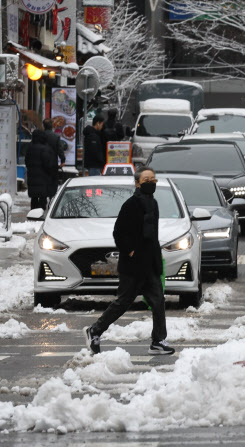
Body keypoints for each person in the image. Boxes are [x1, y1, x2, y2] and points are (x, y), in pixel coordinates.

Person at [84, 167, 174, 356]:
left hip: (150, 264)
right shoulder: (131, 204)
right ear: (137, 183)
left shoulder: (153, 203)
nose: (150, 182)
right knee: (123, 302)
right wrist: (130, 251)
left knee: (158, 301)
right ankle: (95, 330)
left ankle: (158, 340)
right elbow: (118, 232)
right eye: (146, 179)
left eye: (153, 179)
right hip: (133, 266)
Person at [25, 130, 57, 210]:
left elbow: (27, 161)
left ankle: (33, 213)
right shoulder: (45, 149)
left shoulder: (30, 147)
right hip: (44, 178)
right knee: (43, 197)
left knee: (34, 197)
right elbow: (48, 165)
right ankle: (41, 213)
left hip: (32, 178)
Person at [42, 119, 67, 201]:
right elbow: (60, 150)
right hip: (53, 164)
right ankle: (52, 199)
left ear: (43, 126)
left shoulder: (41, 136)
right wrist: (63, 160)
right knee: (53, 182)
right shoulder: (56, 137)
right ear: (52, 126)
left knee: (43, 182)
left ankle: (43, 200)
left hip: (42, 164)